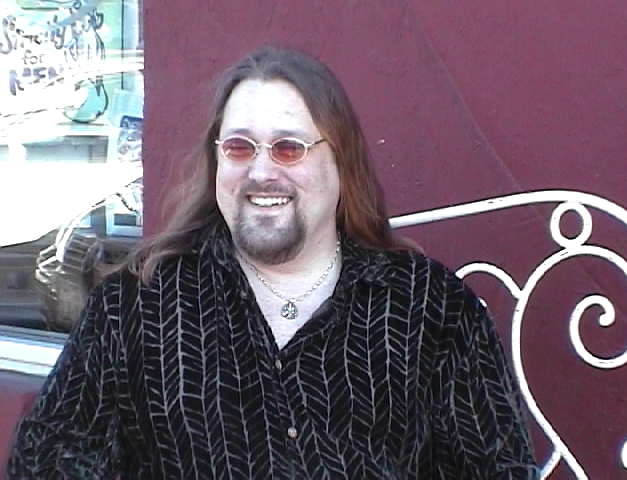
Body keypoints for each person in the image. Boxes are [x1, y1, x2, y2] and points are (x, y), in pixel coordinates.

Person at [8, 45, 538, 479]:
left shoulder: (432, 310)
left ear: (341, 162)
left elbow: (500, 469)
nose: (261, 172)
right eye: (239, 147)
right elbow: (47, 462)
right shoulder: (136, 306)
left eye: (288, 148)